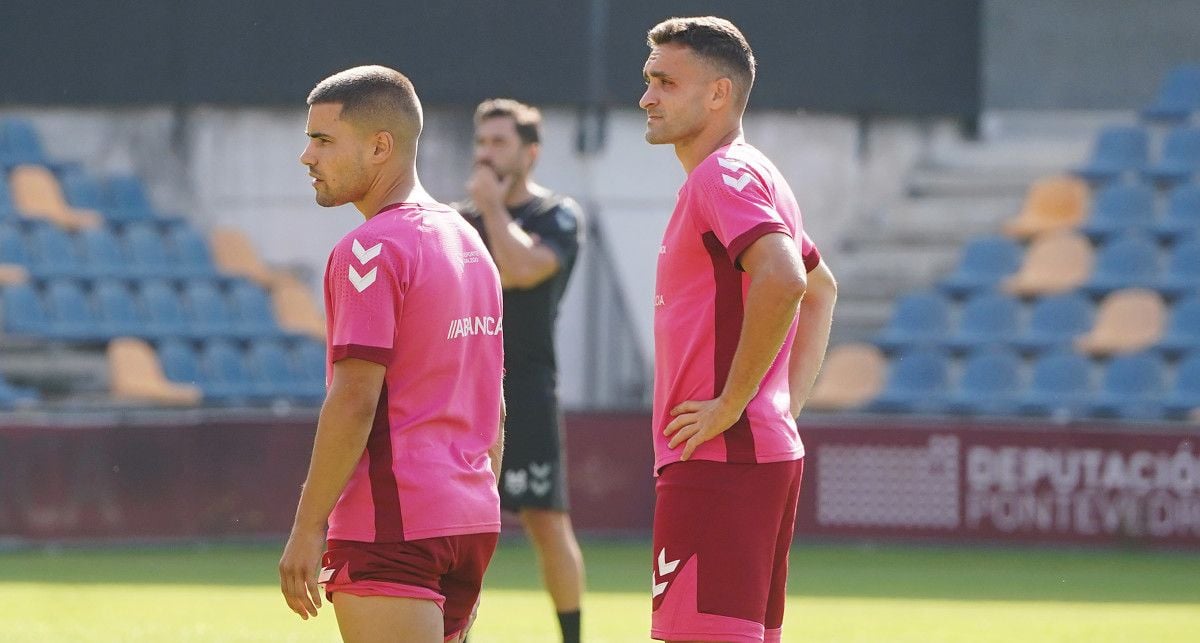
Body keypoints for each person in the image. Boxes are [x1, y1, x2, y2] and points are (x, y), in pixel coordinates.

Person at [278, 65, 505, 643]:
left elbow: (354, 398)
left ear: (381, 146)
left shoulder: (370, 250)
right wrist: (480, 505)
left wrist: (308, 529)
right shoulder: (469, 242)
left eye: (323, 140)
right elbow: (493, 404)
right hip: (470, 518)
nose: (307, 156)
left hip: (392, 522)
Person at [639, 17, 838, 643]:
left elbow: (788, 281)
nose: (647, 97)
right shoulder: (754, 172)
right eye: (648, 80)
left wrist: (734, 404)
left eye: (666, 82)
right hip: (753, 453)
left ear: (719, 94)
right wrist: (779, 405)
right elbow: (822, 287)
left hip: (717, 460)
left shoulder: (720, 177)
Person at [454, 98, 586, 643]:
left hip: (527, 390)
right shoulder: (458, 223)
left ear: (530, 153)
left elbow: (524, 268)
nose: (486, 155)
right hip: (463, 392)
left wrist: (492, 211)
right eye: (482, 142)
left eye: (500, 143)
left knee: (546, 523)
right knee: (454, 523)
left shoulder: (557, 216)